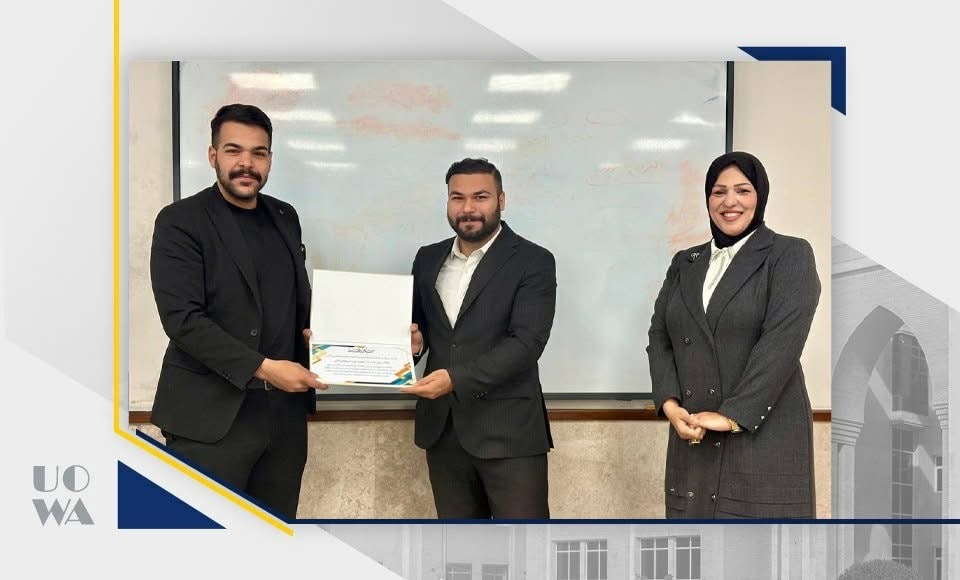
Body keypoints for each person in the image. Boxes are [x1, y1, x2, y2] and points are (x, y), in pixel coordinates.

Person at [150, 103, 324, 519]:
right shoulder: (180, 221)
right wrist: (265, 368)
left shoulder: (285, 217)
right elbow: (183, 321)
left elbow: (295, 306)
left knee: (273, 536)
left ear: (270, 159)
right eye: (233, 150)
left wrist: (373, 340)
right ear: (213, 155)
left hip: (283, 421)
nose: (247, 163)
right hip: (208, 421)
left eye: (258, 153)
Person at [646, 151, 821, 518]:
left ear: (760, 196)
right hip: (693, 435)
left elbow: (781, 345)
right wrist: (671, 406)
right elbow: (660, 338)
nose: (730, 202)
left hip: (761, 439)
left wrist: (731, 416)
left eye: (742, 190)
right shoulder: (685, 262)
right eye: (719, 192)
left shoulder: (789, 254)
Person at [400, 158, 557, 519]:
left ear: (501, 200)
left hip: (510, 433)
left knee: (525, 546)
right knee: (459, 545)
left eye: (480, 197)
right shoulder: (427, 258)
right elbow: (418, 330)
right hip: (443, 432)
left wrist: (455, 379)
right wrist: (414, 345)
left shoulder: (534, 260)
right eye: (457, 197)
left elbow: (526, 344)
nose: (468, 208)